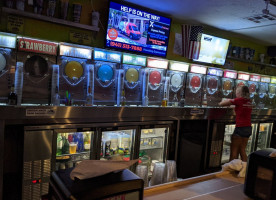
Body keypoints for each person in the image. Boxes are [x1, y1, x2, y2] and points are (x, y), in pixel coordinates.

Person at [219, 85, 252, 162]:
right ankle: (245, 170)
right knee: (242, 150)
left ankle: (231, 170)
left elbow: (221, 104)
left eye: (237, 92)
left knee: (234, 151)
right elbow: (241, 108)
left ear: (240, 93)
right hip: (248, 128)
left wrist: (229, 100)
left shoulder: (238, 100)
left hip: (240, 128)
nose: (236, 93)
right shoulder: (249, 101)